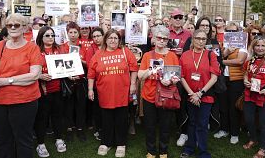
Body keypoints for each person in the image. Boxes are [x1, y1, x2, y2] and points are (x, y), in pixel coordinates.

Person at [0, 13, 42, 158]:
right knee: (3, 140)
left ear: (24, 28)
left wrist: (5, 81)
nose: (12, 27)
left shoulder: (32, 48)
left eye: (17, 25)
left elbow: (34, 75)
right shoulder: (0, 45)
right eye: (9, 25)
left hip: (23, 101)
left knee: (23, 140)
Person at [87, 29, 138, 157]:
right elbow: (91, 74)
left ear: (119, 40)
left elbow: (134, 68)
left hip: (122, 92)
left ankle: (121, 144)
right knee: (106, 118)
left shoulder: (125, 52)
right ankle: (106, 143)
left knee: (121, 118)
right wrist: (90, 89)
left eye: (116, 38)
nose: (113, 40)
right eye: (110, 38)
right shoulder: (98, 54)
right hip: (105, 93)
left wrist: (132, 84)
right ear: (106, 40)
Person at [138, 25, 180, 158]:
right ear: (154, 39)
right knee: (149, 126)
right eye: (159, 38)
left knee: (165, 126)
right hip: (149, 95)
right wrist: (152, 70)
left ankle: (163, 151)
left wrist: (171, 81)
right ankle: (151, 151)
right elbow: (140, 76)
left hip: (166, 95)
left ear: (167, 40)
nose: (162, 40)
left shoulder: (172, 56)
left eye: (165, 38)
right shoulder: (147, 55)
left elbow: (177, 76)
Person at [179, 29, 220, 158]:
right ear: (193, 39)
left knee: (202, 124)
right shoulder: (185, 55)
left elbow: (214, 78)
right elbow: (182, 76)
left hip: (205, 95)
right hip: (191, 96)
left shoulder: (210, 55)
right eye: (198, 38)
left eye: (203, 39)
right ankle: (189, 148)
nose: (201, 41)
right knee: (192, 122)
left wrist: (200, 94)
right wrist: (192, 94)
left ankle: (203, 151)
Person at [34, 26, 66, 157]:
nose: (51, 38)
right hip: (42, 90)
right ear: (41, 37)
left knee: (57, 115)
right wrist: (40, 76)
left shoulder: (59, 49)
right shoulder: (35, 50)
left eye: (52, 35)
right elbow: (28, 69)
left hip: (58, 88)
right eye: (47, 35)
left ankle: (59, 139)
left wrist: (70, 74)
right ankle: (40, 144)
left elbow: (65, 65)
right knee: (42, 117)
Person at [214, 22, 247, 144]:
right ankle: (224, 129)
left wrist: (222, 61)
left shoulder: (242, 45)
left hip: (236, 80)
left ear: (238, 32)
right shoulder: (222, 45)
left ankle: (234, 133)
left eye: (234, 31)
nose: (232, 34)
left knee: (234, 107)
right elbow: (215, 59)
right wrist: (226, 53)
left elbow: (240, 61)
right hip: (223, 79)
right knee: (223, 106)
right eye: (229, 31)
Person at [59, 22, 87, 141]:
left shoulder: (83, 47)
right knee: (68, 106)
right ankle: (69, 129)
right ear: (67, 33)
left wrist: (80, 60)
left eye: (75, 32)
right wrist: (68, 75)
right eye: (71, 32)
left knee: (80, 106)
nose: (73, 35)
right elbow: (59, 63)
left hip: (80, 80)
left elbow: (88, 63)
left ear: (78, 33)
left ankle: (80, 129)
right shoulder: (62, 47)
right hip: (67, 80)